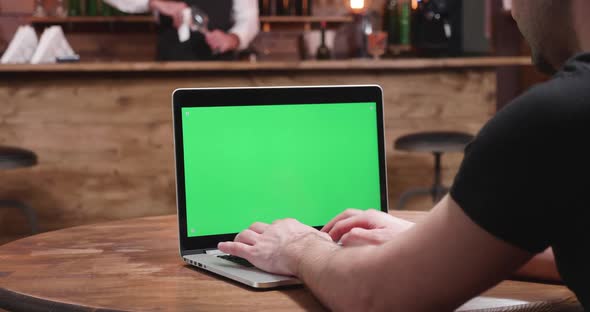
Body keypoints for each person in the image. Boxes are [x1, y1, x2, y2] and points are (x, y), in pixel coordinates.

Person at [218, 0, 590, 310]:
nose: (513, 11)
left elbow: (373, 296)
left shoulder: (553, 119)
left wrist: (298, 247)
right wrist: (429, 242)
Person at [103, 0, 259, 60]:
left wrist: (233, 39)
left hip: (220, 70)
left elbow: (249, 19)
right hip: (170, 67)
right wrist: (153, 3)